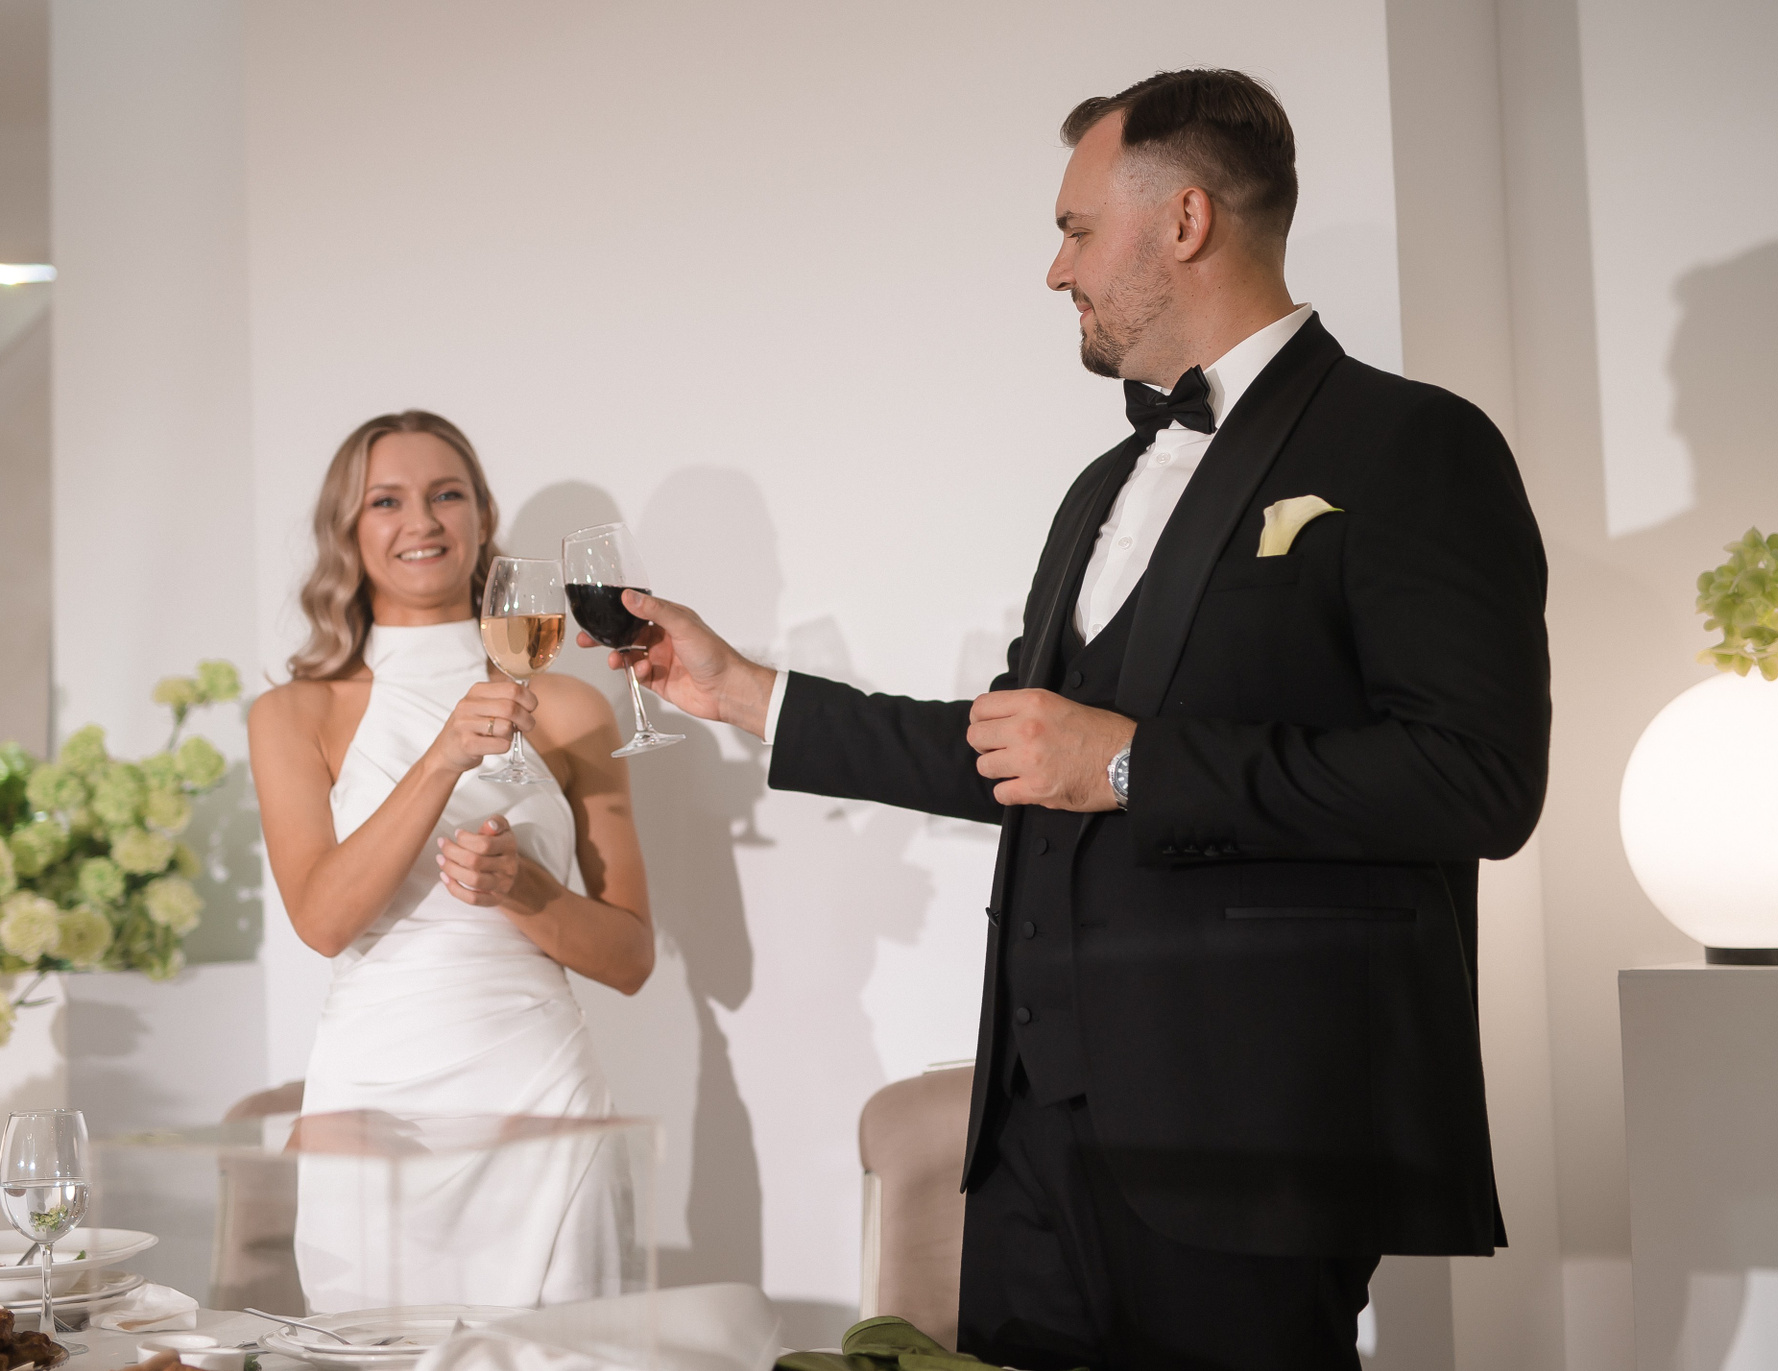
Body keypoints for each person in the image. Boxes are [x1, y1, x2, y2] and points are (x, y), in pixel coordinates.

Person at [589, 70, 1550, 1369]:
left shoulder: (1414, 444)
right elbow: (1022, 752)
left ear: (1186, 221)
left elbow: (1476, 778)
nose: (1057, 270)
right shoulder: (1105, 483)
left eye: (1078, 230)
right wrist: (746, 693)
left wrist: (1138, 763)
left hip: (1250, 1135)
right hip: (1034, 1140)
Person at [249, 409, 654, 1311]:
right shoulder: (294, 714)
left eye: (446, 494)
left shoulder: (570, 708)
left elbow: (631, 958)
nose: (422, 521)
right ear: (348, 530)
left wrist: (526, 889)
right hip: (372, 1107)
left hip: (541, 1097)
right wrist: (440, 759)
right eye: (386, 500)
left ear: (482, 515)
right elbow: (323, 920)